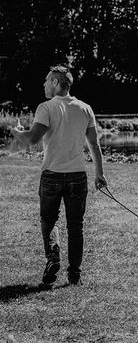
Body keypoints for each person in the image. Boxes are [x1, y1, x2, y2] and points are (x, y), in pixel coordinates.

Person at [11, 66, 106, 286]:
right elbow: (94, 144)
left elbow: (33, 139)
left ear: (55, 82)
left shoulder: (46, 107)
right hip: (77, 176)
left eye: (46, 80)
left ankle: (53, 258)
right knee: (75, 225)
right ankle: (74, 275)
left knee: (48, 220)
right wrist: (99, 173)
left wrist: (16, 132)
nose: (44, 84)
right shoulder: (85, 108)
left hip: (52, 175)